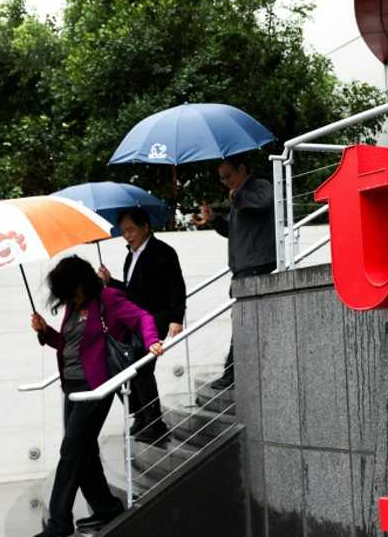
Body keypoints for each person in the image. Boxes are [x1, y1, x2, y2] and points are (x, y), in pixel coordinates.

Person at [31, 255, 164, 537]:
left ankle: (58, 524)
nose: (63, 295)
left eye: (66, 287)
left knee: (70, 451)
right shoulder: (72, 307)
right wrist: (45, 332)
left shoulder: (107, 299)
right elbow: (66, 344)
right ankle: (106, 509)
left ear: (79, 283)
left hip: (96, 387)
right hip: (71, 389)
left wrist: (152, 340)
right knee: (85, 452)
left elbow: (143, 317)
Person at [97, 207, 187, 445]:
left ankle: (155, 423)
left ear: (145, 227)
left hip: (156, 318)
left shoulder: (163, 252)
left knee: (142, 369)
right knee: (125, 368)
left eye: (131, 230)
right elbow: (130, 292)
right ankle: (141, 415)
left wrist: (176, 319)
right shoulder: (131, 256)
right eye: (123, 231)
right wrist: (110, 281)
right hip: (133, 321)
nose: (127, 235)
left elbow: (177, 287)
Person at [192, 153, 275, 390]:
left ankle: (232, 375)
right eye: (222, 178)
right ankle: (234, 374)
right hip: (243, 269)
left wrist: (238, 197)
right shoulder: (240, 196)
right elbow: (233, 231)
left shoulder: (258, 187)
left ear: (242, 169)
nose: (226, 181)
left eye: (228, 175)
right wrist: (214, 219)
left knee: (242, 324)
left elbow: (265, 202)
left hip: (256, 267)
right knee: (242, 323)